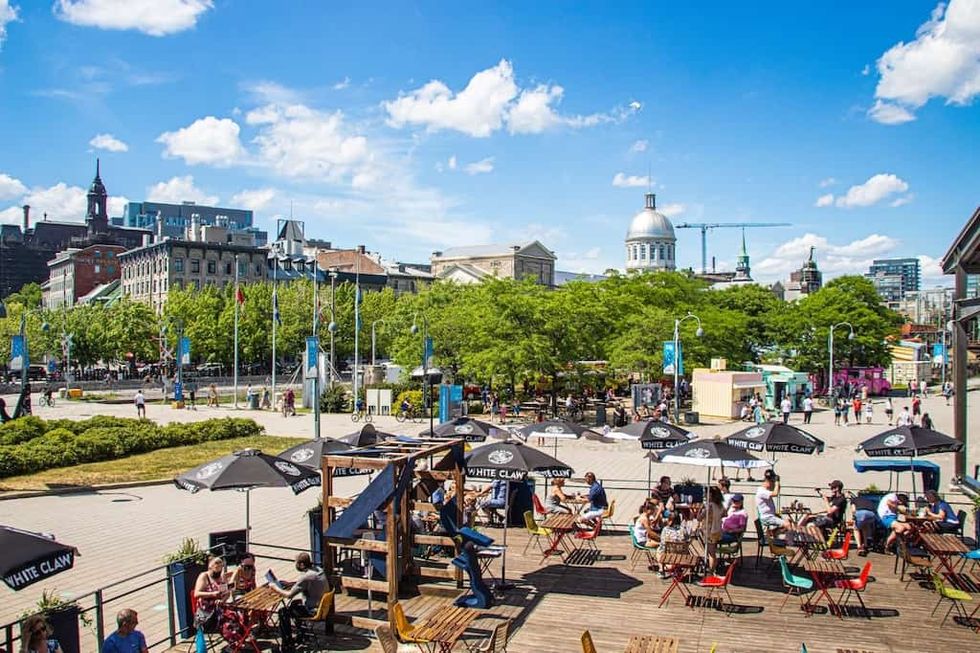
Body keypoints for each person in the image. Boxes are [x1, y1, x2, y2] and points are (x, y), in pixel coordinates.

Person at [271, 552, 330, 651]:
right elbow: (305, 583)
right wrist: (291, 584)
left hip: (313, 610)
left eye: (296, 563)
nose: (295, 565)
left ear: (302, 564)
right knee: (294, 605)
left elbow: (289, 595)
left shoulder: (306, 577)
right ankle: (302, 635)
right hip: (321, 606)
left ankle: (287, 645)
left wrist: (274, 587)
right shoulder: (318, 570)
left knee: (283, 612)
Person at [193, 556, 230, 629]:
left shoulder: (222, 577)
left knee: (234, 617)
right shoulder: (204, 576)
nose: (219, 570)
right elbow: (196, 594)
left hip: (219, 608)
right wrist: (212, 594)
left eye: (221, 567)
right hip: (206, 611)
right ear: (210, 567)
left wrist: (223, 600)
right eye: (216, 567)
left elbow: (227, 593)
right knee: (228, 622)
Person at [704, 486, 725, 572]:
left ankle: (711, 571)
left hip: (710, 531)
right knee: (713, 551)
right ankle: (713, 568)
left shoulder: (710, 506)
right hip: (718, 530)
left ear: (710, 495)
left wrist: (700, 510)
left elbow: (699, 517)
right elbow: (725, 514)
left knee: (711, 553)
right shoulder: (720, 505)